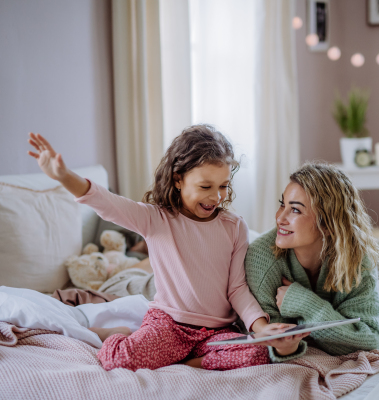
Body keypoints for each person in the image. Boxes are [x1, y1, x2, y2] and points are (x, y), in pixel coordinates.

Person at [26, 125, 306, 371]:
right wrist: (64, 177)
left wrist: (262, 328)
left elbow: (237, 289)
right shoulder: (156, 219)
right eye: (205, 186)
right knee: (118, 360)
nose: (216, 196)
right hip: (169, 326)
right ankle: (121, 333)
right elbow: (107, 203)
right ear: (178, 179)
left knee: (259, 353)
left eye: (223, 186)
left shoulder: (234, 227)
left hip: (217, 330)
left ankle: (187, 363)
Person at [244, 162, 379, 362]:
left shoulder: (356, 258)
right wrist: (286, 347)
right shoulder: (261, 258)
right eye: (282, 204)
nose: (280, 218)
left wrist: (305, 305)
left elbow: (370, 340)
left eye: (295, 210)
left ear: (328, 224)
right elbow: (272, 343)